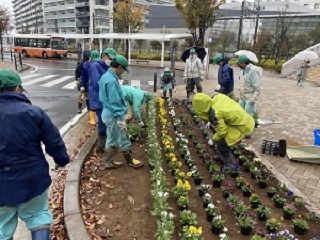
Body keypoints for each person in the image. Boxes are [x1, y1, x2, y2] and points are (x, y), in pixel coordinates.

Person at [0, 69, 70, 240]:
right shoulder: (33, 112)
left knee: (2, 227)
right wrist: (61, 160)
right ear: (17, 89)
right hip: (33, 179)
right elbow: (53, 141)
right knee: (37, 216)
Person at [99, 55, 144, 169]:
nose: (123, 72)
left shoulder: (106, 76)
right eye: (123, 69)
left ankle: (108, 162)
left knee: (111, 138)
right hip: (114, 115)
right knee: (123, 137)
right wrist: (120, 118)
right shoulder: (111, 81)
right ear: (119, 66)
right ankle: (130, 160)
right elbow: (115, 101)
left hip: (107, 113)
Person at [192, 92, 254, 173]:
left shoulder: (214, 114)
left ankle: (228, 165)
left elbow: (222, 132)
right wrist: (211, 121)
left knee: (222, 142)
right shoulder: (217, 98)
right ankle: (221, 156)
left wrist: (213, 139)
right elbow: (221, 112)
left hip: (240, 125)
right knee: (218, 134)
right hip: (241, 118)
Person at [89, 48, 117, 153]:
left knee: (105, 121)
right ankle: (102, 145)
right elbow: (97, 84)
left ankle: (105, 144)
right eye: (110, 58)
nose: (111, 60)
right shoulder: (96, 66)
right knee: (102, 121)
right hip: (99, 99)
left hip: (104, 99)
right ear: (104, 56)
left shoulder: (106, 66)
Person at [75, 50, 91, 114]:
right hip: (81, 80)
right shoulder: (81, 63)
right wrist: (77, 79)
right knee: (81, 94)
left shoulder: (89, 63)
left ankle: (89, 107)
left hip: (87, 80)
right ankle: (79, 108)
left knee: (88, 94)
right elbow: (77, 71)